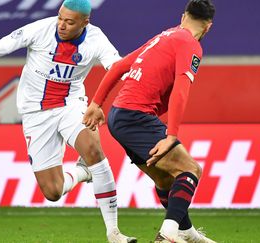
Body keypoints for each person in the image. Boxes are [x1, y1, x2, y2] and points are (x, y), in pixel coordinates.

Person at [0, 0, 136, 242]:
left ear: (85, 22)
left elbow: (116, 68)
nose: (62, 25)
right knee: (53, 191)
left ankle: (113, 232)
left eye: (70, 22)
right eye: (60, 18)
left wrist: (119, 90)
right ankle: (83, 173)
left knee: (93, 149)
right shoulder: (39, 30)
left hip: (70, 105)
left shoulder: (96, 39)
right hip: (35, 114)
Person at [82, 0, 216, 242]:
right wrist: (171, 135)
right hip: (136, 116)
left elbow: (120, 66)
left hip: (118, 117)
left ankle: (186, 232)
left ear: (183, 16)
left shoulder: (164, 36)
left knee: (164, 178)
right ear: (208, 27)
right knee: (190, 169)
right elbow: (181, 91)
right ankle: (168, 234)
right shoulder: (191, 45)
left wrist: (96, 103)